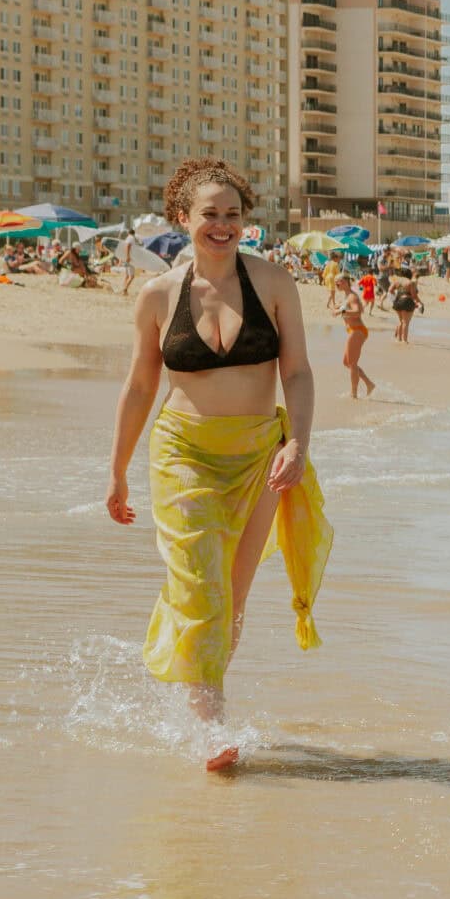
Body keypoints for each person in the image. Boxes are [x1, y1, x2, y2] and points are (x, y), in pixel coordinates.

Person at [106, 158, 332, 773]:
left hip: (259, 455)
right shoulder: (157, 297)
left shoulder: (273, 283)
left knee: (229, 599)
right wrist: (118, 470)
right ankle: (212, 725)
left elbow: (299, 372)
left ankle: (195, 704)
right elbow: (138, 387)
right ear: (183, 218)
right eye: (210, 214)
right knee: (203, 587)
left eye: (233, 215)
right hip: (183, 451)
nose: (223, 225)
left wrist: (298, 445)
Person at [329, 273, 376, 399]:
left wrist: (341, 310)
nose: (336, 284)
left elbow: (357, 312)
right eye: (335, 282)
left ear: (345, 282)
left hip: (358, 330)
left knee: (353, 363)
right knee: (347, 362)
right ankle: (369, 384)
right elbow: (339, 307)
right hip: (353, 331)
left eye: (338, 282)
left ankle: (353, 394)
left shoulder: (352, 297)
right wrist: (336, 308)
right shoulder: (346, 297)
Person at [389, 270, 419, 344]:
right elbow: (413, 295)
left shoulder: (397, 281)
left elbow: (390, 290)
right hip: (407, 302)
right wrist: (419, 302)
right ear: (410, 275)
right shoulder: (410, 282)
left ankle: (398, 339)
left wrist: (397, 295)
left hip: (397, 302)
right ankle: (404, 340)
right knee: (405, 322)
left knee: (400, 321)